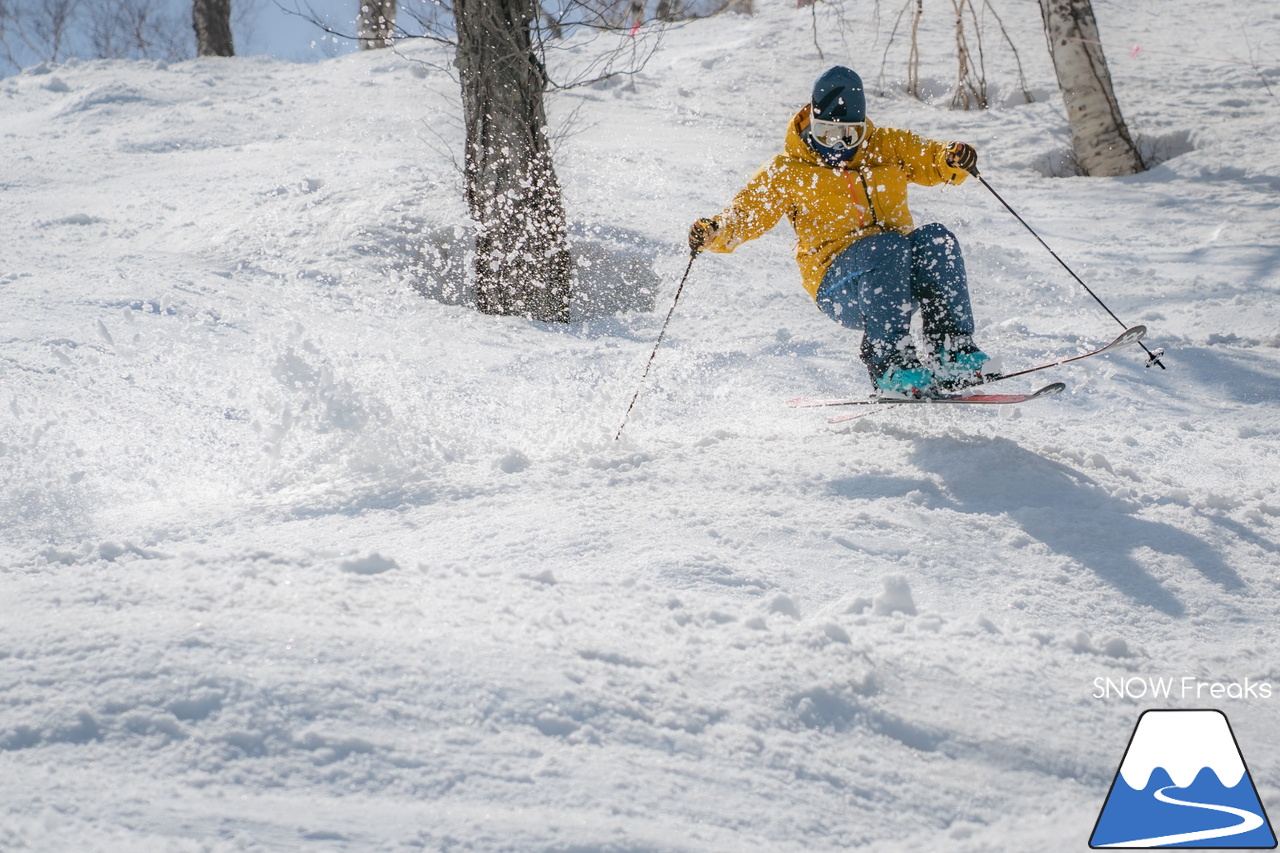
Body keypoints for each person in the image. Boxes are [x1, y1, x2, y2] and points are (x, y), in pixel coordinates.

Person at [688, 66, 992, 397]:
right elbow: (747, 213)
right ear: (810, 122)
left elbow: (931, 158)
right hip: (840, 286)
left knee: (937, 239)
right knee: (887, 246)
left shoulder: (884, 147)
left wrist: (951, 158)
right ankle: (889, 364)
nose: (839, 145)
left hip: (896, 278)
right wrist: (714, 231)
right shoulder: (788, 172)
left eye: (850, 135)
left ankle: (952, 353)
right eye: (827, 134)